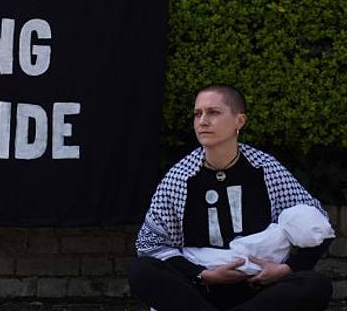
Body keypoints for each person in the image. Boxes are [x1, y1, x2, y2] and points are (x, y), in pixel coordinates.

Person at [128, 84, 333, 310]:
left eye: (213, 112)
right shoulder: (180, 176)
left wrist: (287, 269)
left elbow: (319, 225)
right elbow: (150, 243)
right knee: (142, 271)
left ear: (239, 121)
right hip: (201, 288)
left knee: (316, 285)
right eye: (198, 114)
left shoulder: (265, 169)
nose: (202, 121)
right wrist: (202, 274)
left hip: (258, 288)